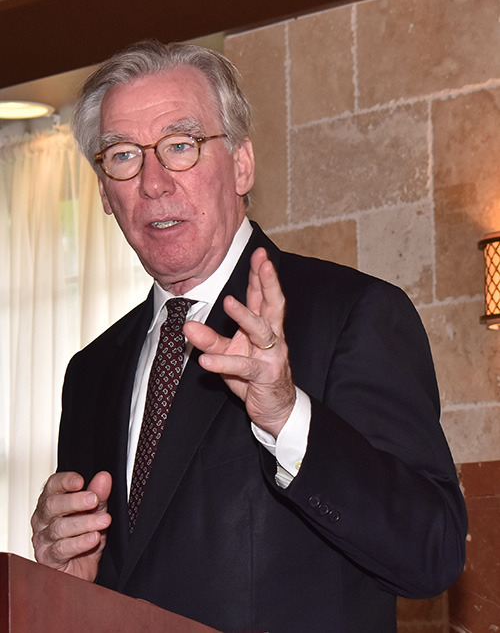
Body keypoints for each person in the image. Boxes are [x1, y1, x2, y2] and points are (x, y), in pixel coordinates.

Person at [31, 39, 467, 633]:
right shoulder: (92, 370)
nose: (153, 182)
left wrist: (288, 418)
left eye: (181, 146)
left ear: (241, 164)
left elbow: (432, 554)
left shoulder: (352, 314)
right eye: (124, 156)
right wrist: (70, 575)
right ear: (106, 193)